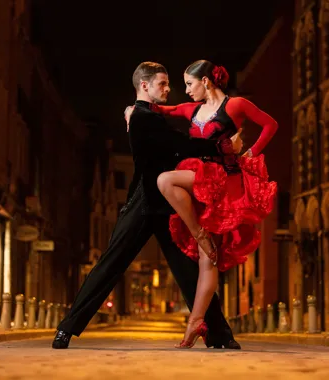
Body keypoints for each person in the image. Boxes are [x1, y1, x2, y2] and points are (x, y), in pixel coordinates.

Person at [52, 62, 243, 350]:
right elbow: (180, 144)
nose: (168, 89)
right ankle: (66, 329)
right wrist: (220, 148)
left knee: (187, 271)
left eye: (168, 84)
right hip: (144, 203)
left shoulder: (144, 115)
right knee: (110, 266)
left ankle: (220, 334)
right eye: (162, 84)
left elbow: (171, 136)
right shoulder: (142, 118)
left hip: (164, 204)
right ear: (145, 85)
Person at [126, 60, 278, 348]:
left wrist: (250, 154)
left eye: (189, 84)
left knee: (209, 260)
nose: (184, 90)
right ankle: (199, 239)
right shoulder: (190, 110)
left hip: (225, 181)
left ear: (206, 81)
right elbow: (155, 108)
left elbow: (271, 124)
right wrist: (129, 111)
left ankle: (195, 322)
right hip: (201, 181)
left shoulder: (236, 105)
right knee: (167, 183)